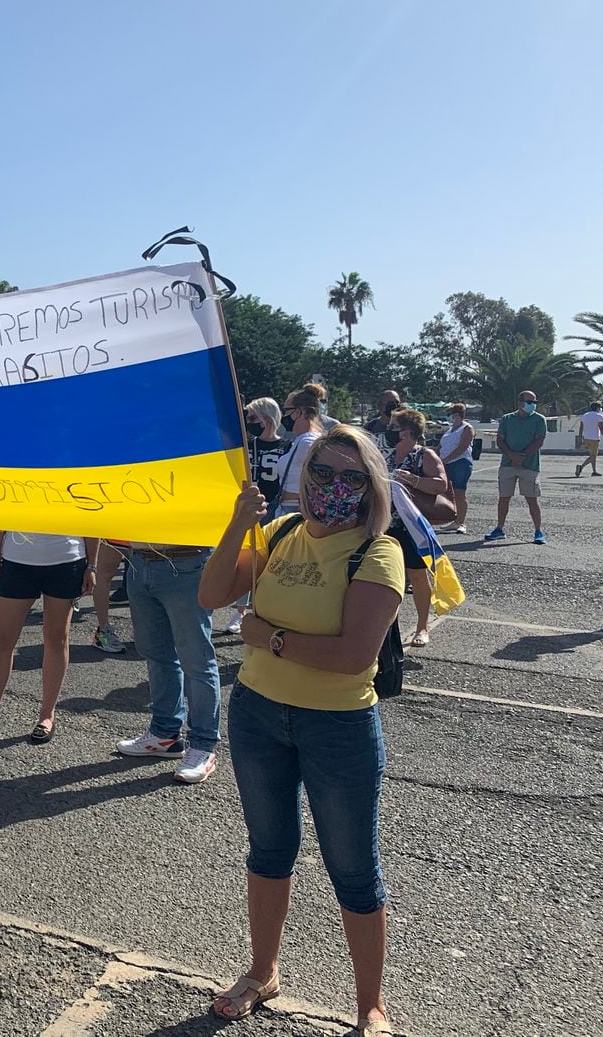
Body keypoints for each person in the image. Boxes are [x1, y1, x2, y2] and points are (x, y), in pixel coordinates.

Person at [197, 425, 403, 1033]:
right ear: (302, 476)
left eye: (350, 478)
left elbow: (352, 656)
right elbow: (212, 594)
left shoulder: (377, 552)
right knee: (268, 849)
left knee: (353, 866)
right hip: (258, 714)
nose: (331, 488)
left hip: (337, 725)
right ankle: (263, 971)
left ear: (371, 488)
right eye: (320, 474)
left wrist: (269, 637)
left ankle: (371, 1005)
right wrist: (239, 521)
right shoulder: (281, 532)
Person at [0, 530, 98, 745]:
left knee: (56, 638)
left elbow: (91, 518)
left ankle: (47, 716)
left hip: (67, 560)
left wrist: (91, 565)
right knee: (2, 640)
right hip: (17, 561)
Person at [112, 537, 220, 784]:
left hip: (186, 557)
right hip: (140, 559)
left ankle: (203, 745)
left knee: (197, 659)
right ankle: (165, 732)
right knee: (157, 653)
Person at [227, 397, 290, 634]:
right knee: (245, 558)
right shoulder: (246, 445)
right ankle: (240, 612)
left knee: (269, 561)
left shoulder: (286, 447)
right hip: (248, 510)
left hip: (274, 509)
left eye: (254, 418)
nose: (250, 422)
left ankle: (266, 609)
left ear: (267, 418)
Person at [388, 408, 448, 647]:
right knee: (387, 575)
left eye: (393, 428)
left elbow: (441, 484)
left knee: (417, 575)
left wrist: (412, 479)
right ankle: (387, 625)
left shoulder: (424, 455)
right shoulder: (388, 455)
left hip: (411, 526)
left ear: (406, 432)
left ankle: (422, 627)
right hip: (387, 524)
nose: (388, 432)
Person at [485, 390, 548, 545]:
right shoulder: (507, 419)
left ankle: (538, 531)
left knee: (532, 499)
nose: (533, 405)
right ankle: (499, 528)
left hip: (530, 465)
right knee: (503, 498)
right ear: (520, 403)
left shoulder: (540, 420)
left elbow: (539, 441)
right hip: (508, 465)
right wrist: (512, 456)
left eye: (534, 402)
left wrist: (522, 457)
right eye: (530, 402)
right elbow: (500, 441)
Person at [273, 385, 324, 517]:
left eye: (286, 410)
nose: (284, 416)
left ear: (299, 412)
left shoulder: (307, 442)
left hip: (296, 510)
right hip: (291, 508)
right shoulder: (302, 440)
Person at [88, 539, 133, 653]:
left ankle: (142, 630)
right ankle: (103, 631)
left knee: (140, 571)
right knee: (105, 572)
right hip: (113, 529)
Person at [437, 403, 475, 533]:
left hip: (460, 463)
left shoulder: (466, 428)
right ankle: (453, 520)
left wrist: (446, 459)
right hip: (446, 464)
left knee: (459, 493)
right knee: (447, 492)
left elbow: (462, 447)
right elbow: (441, 447)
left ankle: (461, 522)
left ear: (457, 415)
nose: (449, 417)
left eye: (450, 415)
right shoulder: (449, 430)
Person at [364, 389, 403, 463]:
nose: (394, 405)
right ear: (380, 405)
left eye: (397, 402)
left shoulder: (409, 424)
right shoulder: (370, 427)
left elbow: (420, 446)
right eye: (390, 403)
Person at [577, 400, 603, 478]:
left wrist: (580, 438)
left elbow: (581, 428)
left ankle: (594, 471)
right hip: (594, 438)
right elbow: (601, 428)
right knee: (593, 456)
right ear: (597, 408)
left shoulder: (585, 415)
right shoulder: (599, 416)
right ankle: (581, 467)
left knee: (593, 455)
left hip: (586, 437)